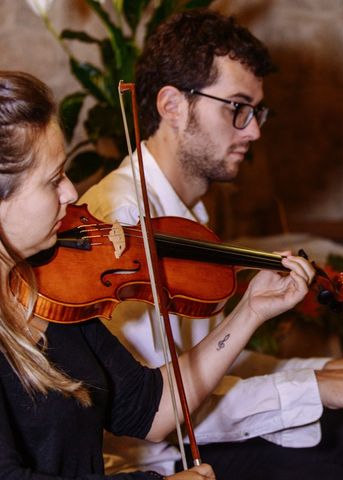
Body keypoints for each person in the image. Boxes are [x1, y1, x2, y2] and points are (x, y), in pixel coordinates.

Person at [79, 9, 343, 480]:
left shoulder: (188, 215)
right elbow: (158, 403)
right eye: (236, 107)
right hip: (164, 459)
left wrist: (338, 367)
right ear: (173, 105)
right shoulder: (120, 226)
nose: (253, 131)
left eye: (256, 111)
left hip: (212, 435)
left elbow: (216, 358)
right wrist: (319, 387)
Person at [0, 70, 323, 479]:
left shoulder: (50, 292)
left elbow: (148, 409)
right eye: (52, 181)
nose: (70, 193)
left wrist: (251, 312)